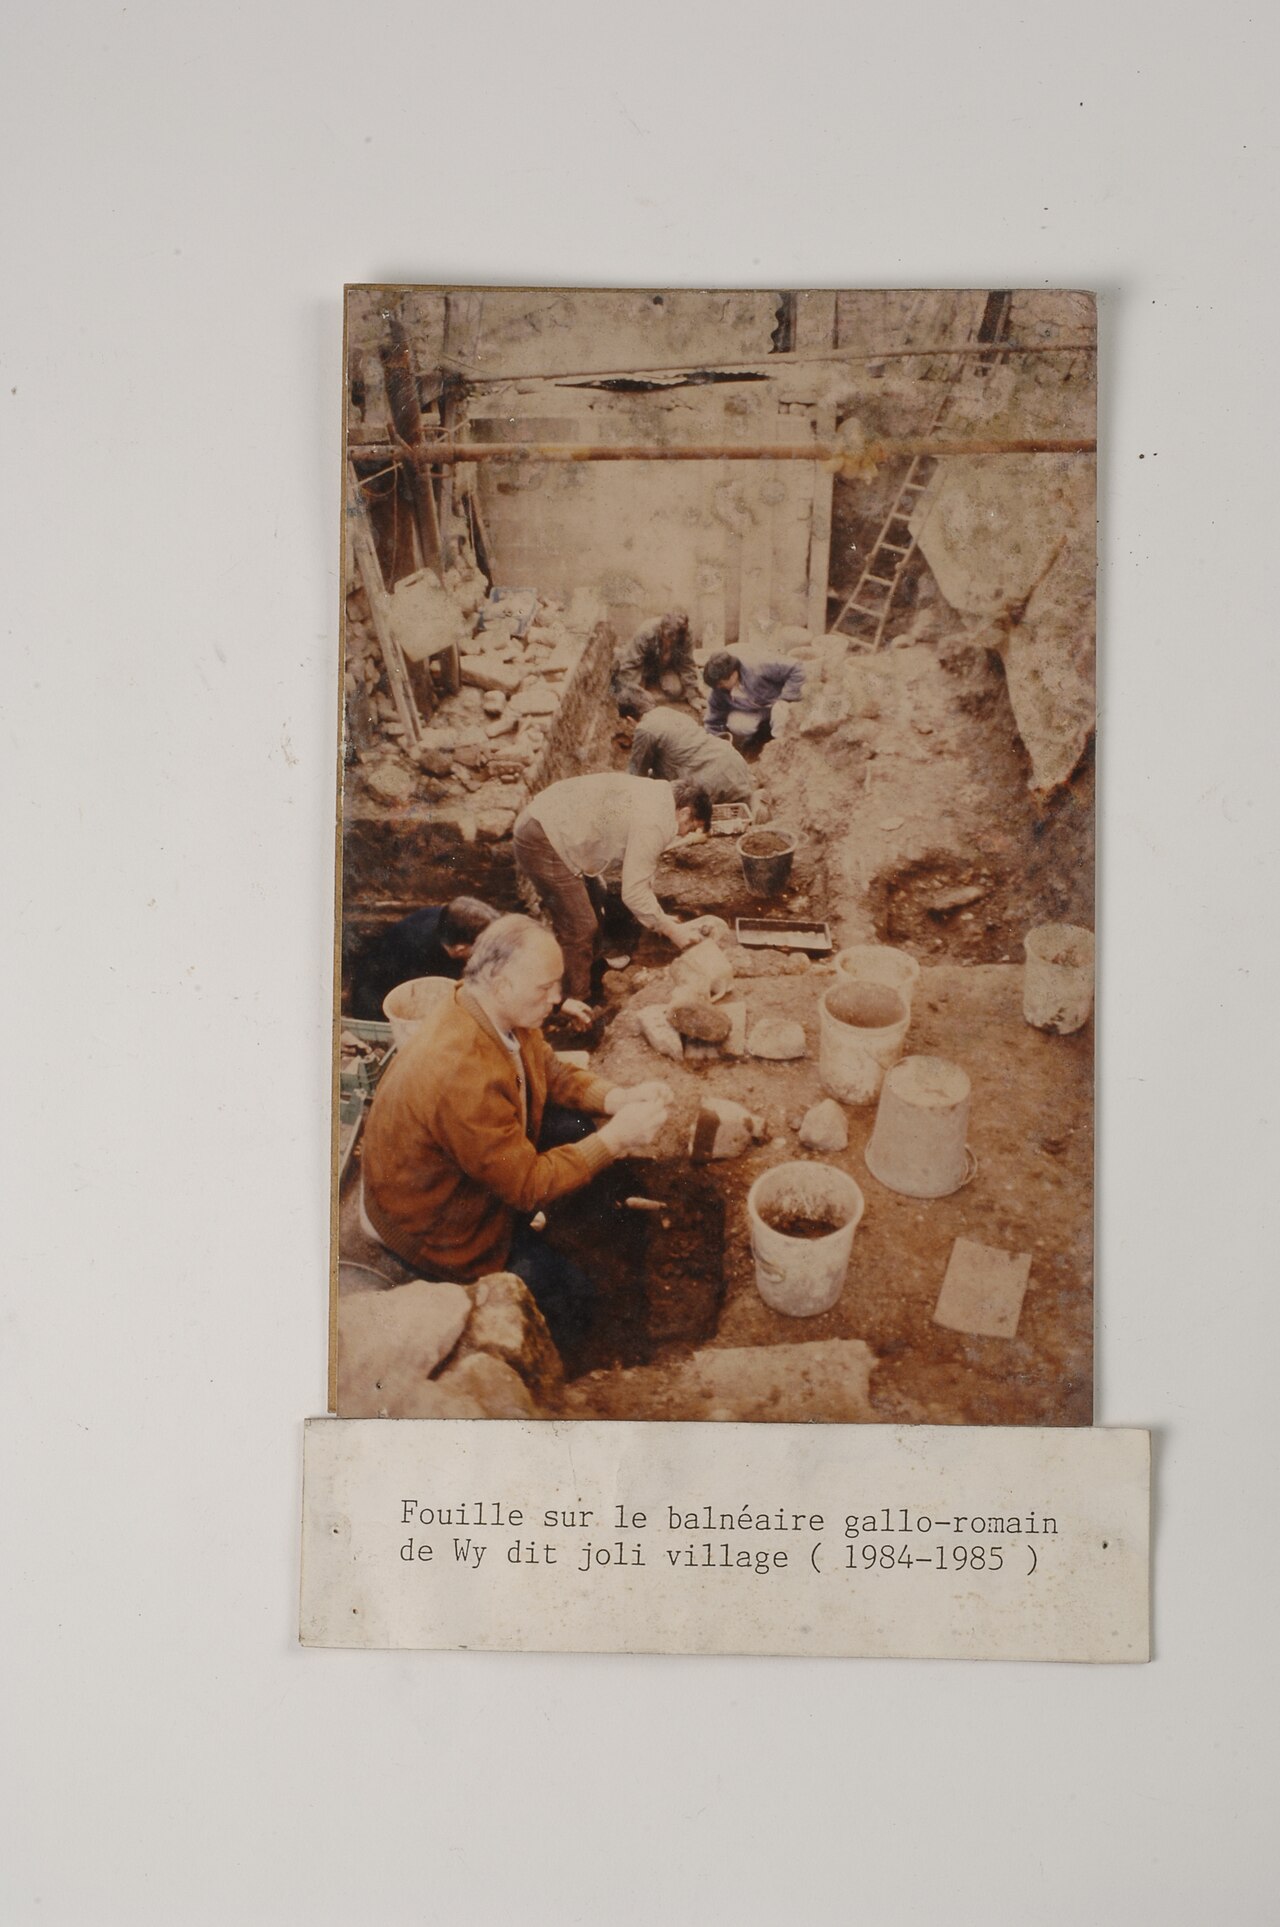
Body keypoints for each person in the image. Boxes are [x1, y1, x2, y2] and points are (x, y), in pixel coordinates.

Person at [360, 915, 671, 1349]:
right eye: (545, 988)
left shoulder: (487, 1006)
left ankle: (597, 1224)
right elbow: (526, 1185)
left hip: (465, 1174)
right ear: (502, 984)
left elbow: (549, 1069)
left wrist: (617, 1098)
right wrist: (616, 1140)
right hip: (435, 1228)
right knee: (572, 1299)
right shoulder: (462, 1074)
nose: (557, 998)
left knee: (575, 1127)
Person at [513, 773, 713, 1003]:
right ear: (685, 812)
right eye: (690, 827)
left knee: (597, 894)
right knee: (580, 927)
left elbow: (643, 868)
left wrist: (659, 918)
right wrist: (671, 930)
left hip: (556, 822)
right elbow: (634, 893)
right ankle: (575, 1004)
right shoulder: (656, 820)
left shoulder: (662, 795)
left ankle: (593, 973)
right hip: (542, 837)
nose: (684, 834)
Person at [348, 896, 499, 1022]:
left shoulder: (449, 919)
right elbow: (427, 1004)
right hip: (377, 1002)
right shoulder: (421, 952)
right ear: (460, 949)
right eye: (482, 947)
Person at [626, 703, 756, 807]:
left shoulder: (644, 729)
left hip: (711, 777)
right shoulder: (664, 711)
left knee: (663, 802)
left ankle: (751, 804)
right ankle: (752, 799)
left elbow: (635, 778)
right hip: (730, 757)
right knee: (740, 796)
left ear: (629, 719)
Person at [702, 651, 806, 746]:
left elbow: (796, 668)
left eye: (720, 683)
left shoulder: (758, 667)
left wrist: (787, 698)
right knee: (736, 723)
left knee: (781, 711)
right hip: (759, 710)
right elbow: (713, 721)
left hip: (778, 702)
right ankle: (762, 734)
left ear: (733, 674)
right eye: (716, 685)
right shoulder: (719, 689)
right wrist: (714, 742)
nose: (718, 687)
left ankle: (779, 745)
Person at [610, 610, 701, 717]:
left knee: (675, 690)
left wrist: (693, 696)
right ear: (661, 629)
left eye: (675, 639)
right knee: (637, 699)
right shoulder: (646, 632)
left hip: (666, 667)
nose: (671, 642)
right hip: (643, 666)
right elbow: (631, 665)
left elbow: (687, 664)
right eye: (668, 637)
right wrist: (633, 692)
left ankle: (653, 685)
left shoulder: (686, 634)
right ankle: (645, 684)